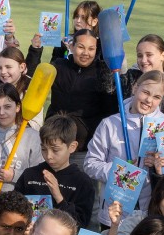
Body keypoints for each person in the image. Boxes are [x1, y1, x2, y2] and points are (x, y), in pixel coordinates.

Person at [85, 69, 164, 227]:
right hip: (114, 213)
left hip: (151, 213)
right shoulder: (110, 124)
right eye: (145, 92)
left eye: (156, 97)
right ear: (134, 87)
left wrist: (159, 168)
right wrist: (119, 171)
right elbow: (90, 164)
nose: (149, 100)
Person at [26, 28, 116, 157]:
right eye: (81, 47)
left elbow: (110, 111)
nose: (86, 53)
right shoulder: (59, 65)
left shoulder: (102, 73)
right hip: (52, 143)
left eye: (91, 49)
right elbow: (33, 81)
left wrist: (109, 85)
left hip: (83, 149)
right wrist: (35, 50)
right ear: (72, 46)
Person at [13, 115, 98, 230]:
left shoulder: (82, 182)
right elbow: (14, 208)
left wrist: (58, 197)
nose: (49, 156)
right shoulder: (30, 175)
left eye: (55, 150)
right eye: (44, 149)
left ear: (72, 147)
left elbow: (80, 225)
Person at [0, 83, 42, 218]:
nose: (2, 112)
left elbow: (38, 175)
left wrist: (14, 175)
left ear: (18, 107)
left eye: (7, 107)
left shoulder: (31, 136)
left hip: (15, 213)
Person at [121, 35, 164, 99]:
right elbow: (107, 88)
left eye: (149, 55)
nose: (143, 60)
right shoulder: (129, 78)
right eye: (140, 56)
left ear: (163, 56)